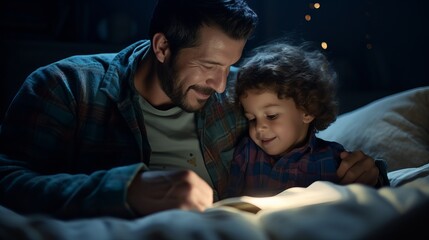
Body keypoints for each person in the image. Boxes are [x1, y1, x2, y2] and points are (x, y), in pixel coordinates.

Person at [0, 0, 386, 220]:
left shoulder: (240, 92)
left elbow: (295, 147)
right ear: (163, 48)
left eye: (229, 65)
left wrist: (366, 170)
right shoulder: (66, 86)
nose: (221, 85)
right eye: (208, 66)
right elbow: (7, 179)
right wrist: (126, 190)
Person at [226, 40, 389, 197]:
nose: (259, 127)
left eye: (271, 116)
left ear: (307, 111)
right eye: (252, 118)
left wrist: (375, 180)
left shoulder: (334, 159)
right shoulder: (246, 154)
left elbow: (367, 199)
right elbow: (228, 206)